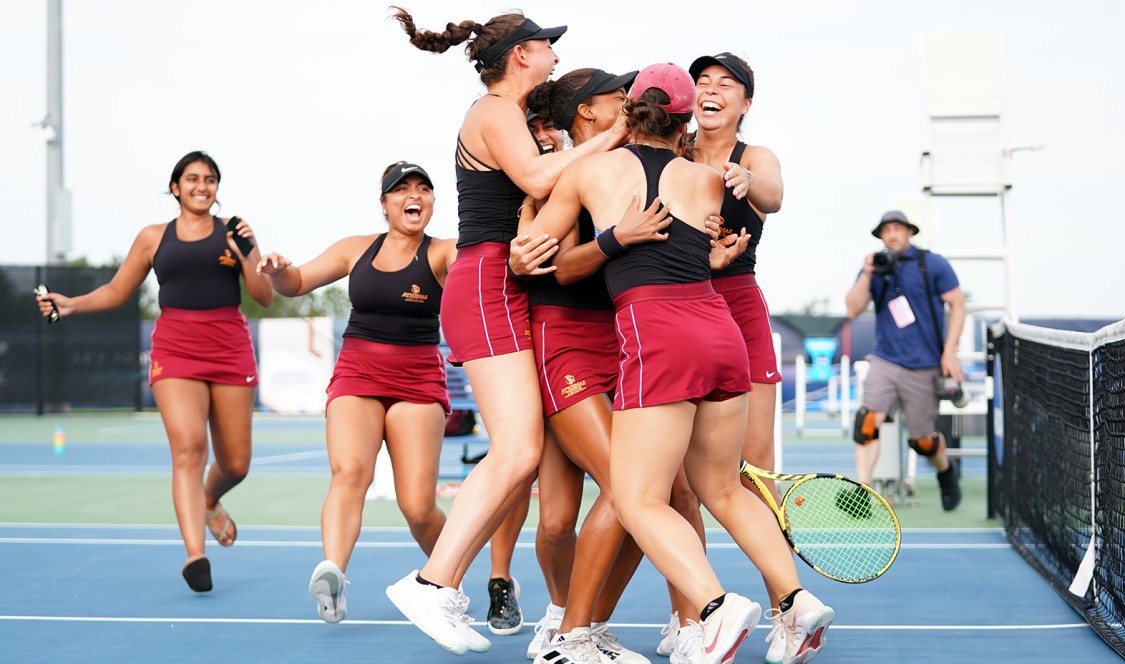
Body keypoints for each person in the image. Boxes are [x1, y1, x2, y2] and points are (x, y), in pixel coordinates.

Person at [517, 62, 835, 664]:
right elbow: (721, 234)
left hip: (657, 333)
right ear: (686, 121)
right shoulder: (707, 178)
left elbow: (545, 259)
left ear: (629, 110)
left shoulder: (590, 170)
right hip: (720, 329)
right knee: (725, 488)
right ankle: (794, 602)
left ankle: (714, 606)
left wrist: (535, 222)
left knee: (640, 499)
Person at [384, 9, 631, 656]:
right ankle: (433, 582)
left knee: (523, 457)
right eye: (547, 47)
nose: (554, 57)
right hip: (487, 282)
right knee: (517, 451)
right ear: (522, 53)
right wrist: (611, 136)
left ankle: (454, 588)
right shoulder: (492, 110)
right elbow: (538, 179)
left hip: (503, 286)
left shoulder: (515, 117)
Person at [35, 151, 272, 592]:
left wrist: (247, 252)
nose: (202, 186)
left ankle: (209, 498)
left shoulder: (234, 231)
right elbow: (116, 290)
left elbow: (263, 295)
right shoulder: (152, 237)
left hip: (229, 348)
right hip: (175, 350)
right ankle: (195, 555)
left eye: (210, 179)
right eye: (192, 179)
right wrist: (71, 304)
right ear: (175, 187)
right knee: (188, 448)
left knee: (236, 463)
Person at [256, 161, 457, 623]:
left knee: (417, 507)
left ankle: (451, 583)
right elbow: (296, 283)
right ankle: (333, 576)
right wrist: (278, 272)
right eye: (402, 189)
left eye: (423, 188)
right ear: (384, 204)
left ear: (431, 202)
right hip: (357, 373)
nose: (414, 195)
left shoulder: (443, 251)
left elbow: (474, 267)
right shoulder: (355, 248)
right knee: (349, 474)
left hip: (417, 380)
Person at [659, 51, 790, 664]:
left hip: (738, 308)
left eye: (725, 84)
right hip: (678, 311)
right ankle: (691, 618)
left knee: (755, 477)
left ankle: (787, 612)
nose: (711, 90)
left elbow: (775, 195)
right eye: (702, 82)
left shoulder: (754, 158)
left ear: (745, 102)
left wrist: (745, 182)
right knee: (680, 486)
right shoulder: (673, 152)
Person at [479, 111, 565, 639]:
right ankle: (500, 579)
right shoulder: (510, 183)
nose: (542, 136)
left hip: (572, 346)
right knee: (517, 463)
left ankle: (568, 614)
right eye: (532, 129)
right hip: (517, 335)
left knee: (558, 511)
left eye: (550, 126)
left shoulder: (579, 174)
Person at [845, 209, 966, 511]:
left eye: (898, 228)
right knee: (867, 422)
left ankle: (945, 471)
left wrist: (949, 351)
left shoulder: (931, 263)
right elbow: (852, 309)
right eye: (886, 230)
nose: (892, 235)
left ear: (910, 232)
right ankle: (863, 492)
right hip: (885, 360)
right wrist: (867, 273)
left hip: (924, 365)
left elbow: (958, 303)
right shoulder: (875, 267)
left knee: (922, 441)